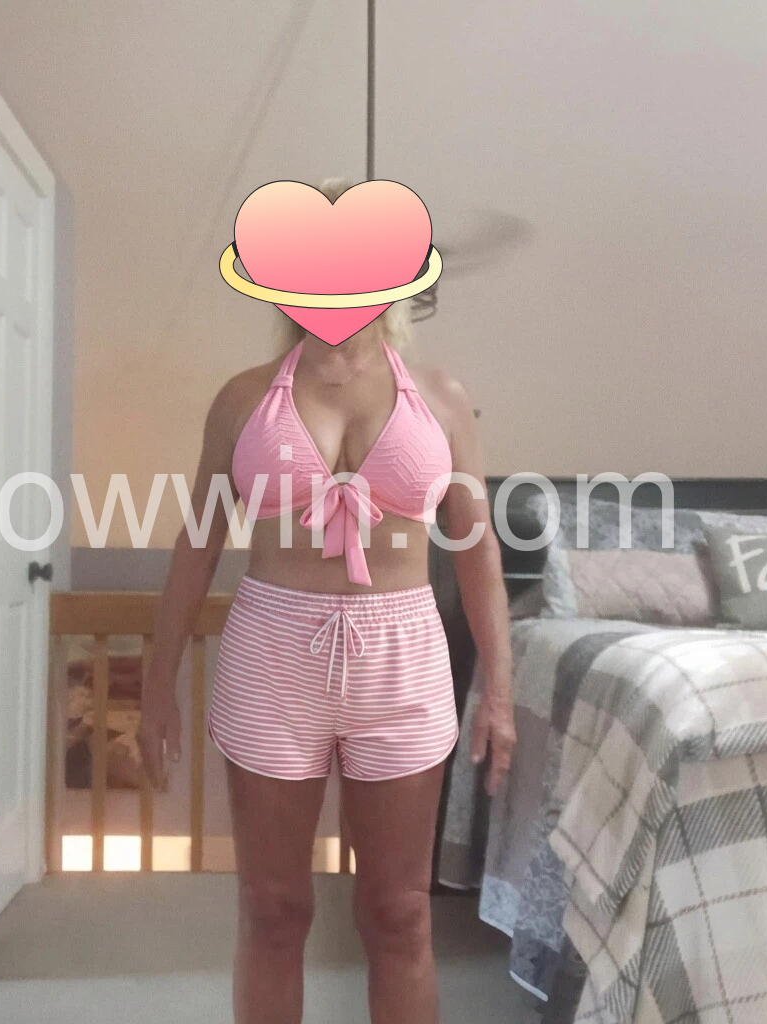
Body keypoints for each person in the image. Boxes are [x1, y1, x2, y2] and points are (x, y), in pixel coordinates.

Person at [140, 178, 516, 1024]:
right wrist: (158, 683)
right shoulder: (243, 400)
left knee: (399, 912)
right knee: (274, 909)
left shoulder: (442, 398)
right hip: (273, 656)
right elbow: (198, 545)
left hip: (401, 659)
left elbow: (478, 548)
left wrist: (499, 687)